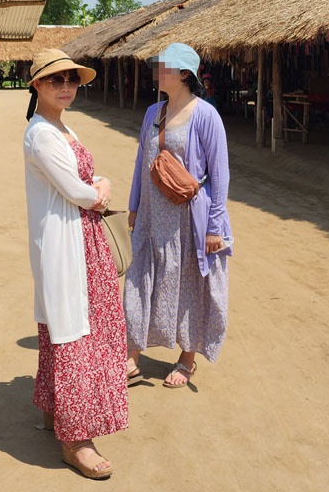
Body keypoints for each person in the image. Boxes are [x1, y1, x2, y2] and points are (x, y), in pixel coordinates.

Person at [22, 49, 129, 480]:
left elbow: (80, 185)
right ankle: (76, 438)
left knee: (70, 326)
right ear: (37, 86)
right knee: (74, 331)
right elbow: (79, 191)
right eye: (55, 80)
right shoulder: (43, 134)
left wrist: (94, 184)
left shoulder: (60, 127)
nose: (66, 87)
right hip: (67, 241)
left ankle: (55, 411)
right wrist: (101, 185)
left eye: (71, 80)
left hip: (80, 238)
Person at [124, 42, 232, 389]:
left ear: (184, 74)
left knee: (188, 287)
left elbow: (220, 175)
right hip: (153, 217)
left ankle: (187, 360)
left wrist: (214, 228)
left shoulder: (205, 115)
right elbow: (142, 162)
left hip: (189, 220)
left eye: (163, 67)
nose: (157, 73)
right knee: (139, 280)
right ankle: (131, 358)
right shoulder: (153, 111)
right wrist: (135, 206)